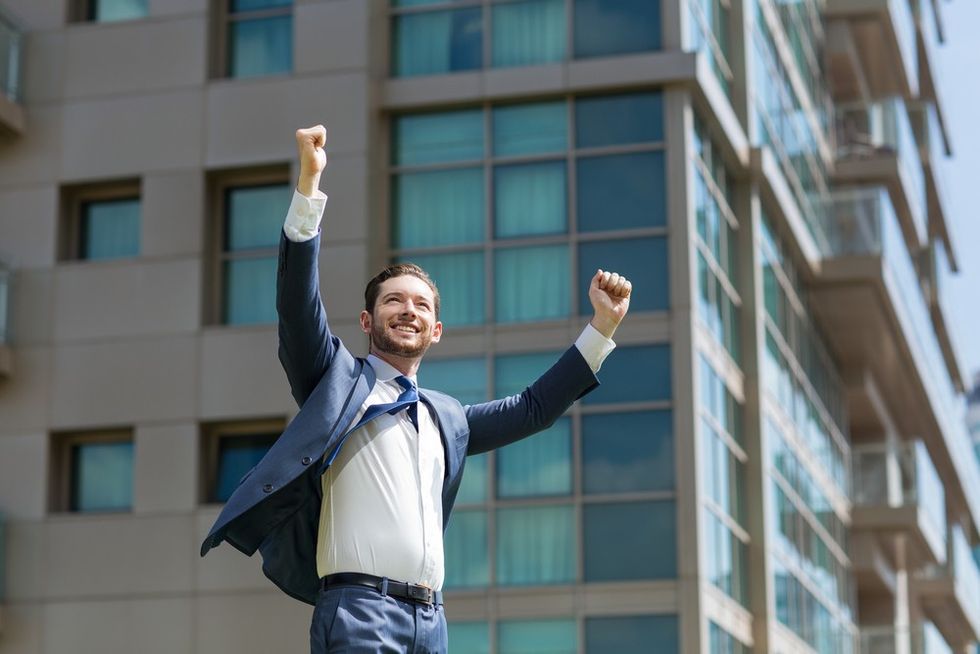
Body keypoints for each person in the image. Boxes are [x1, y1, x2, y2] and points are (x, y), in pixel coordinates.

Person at [200, 125, 634, 653]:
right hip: (359, 610)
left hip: (431, 620)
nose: (409, 310)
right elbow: (297, 306)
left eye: (422, 305)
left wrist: (603, 327)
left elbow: (535, 408)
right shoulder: (335, 381)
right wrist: (309, 188)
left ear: (436, 331)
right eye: (394, 301)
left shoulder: (446, 417)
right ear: (367, 319)